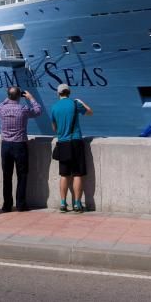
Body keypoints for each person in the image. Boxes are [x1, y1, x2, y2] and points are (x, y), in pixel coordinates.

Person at [0, 86, 42, 212]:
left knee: (7, 175)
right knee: (22, 175)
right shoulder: (23, 109)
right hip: (20, 145)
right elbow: (38, 111)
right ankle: (20, 204)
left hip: (6, 146)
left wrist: (8, 97)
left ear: (8, 95)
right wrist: (31, 98)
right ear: (19, 96)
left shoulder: (2, 109)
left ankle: (7, 205)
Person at [50, 84, 92, 213]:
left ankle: (63, 203)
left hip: (63, 143)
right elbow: (89, 112)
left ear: (58, 94)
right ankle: (77, 204)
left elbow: (54, 128)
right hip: (75, 142)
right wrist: (82, 102)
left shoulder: (54, 107)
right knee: (77, 174)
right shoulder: (75, 104)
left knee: (64, 175)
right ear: (69, 92)